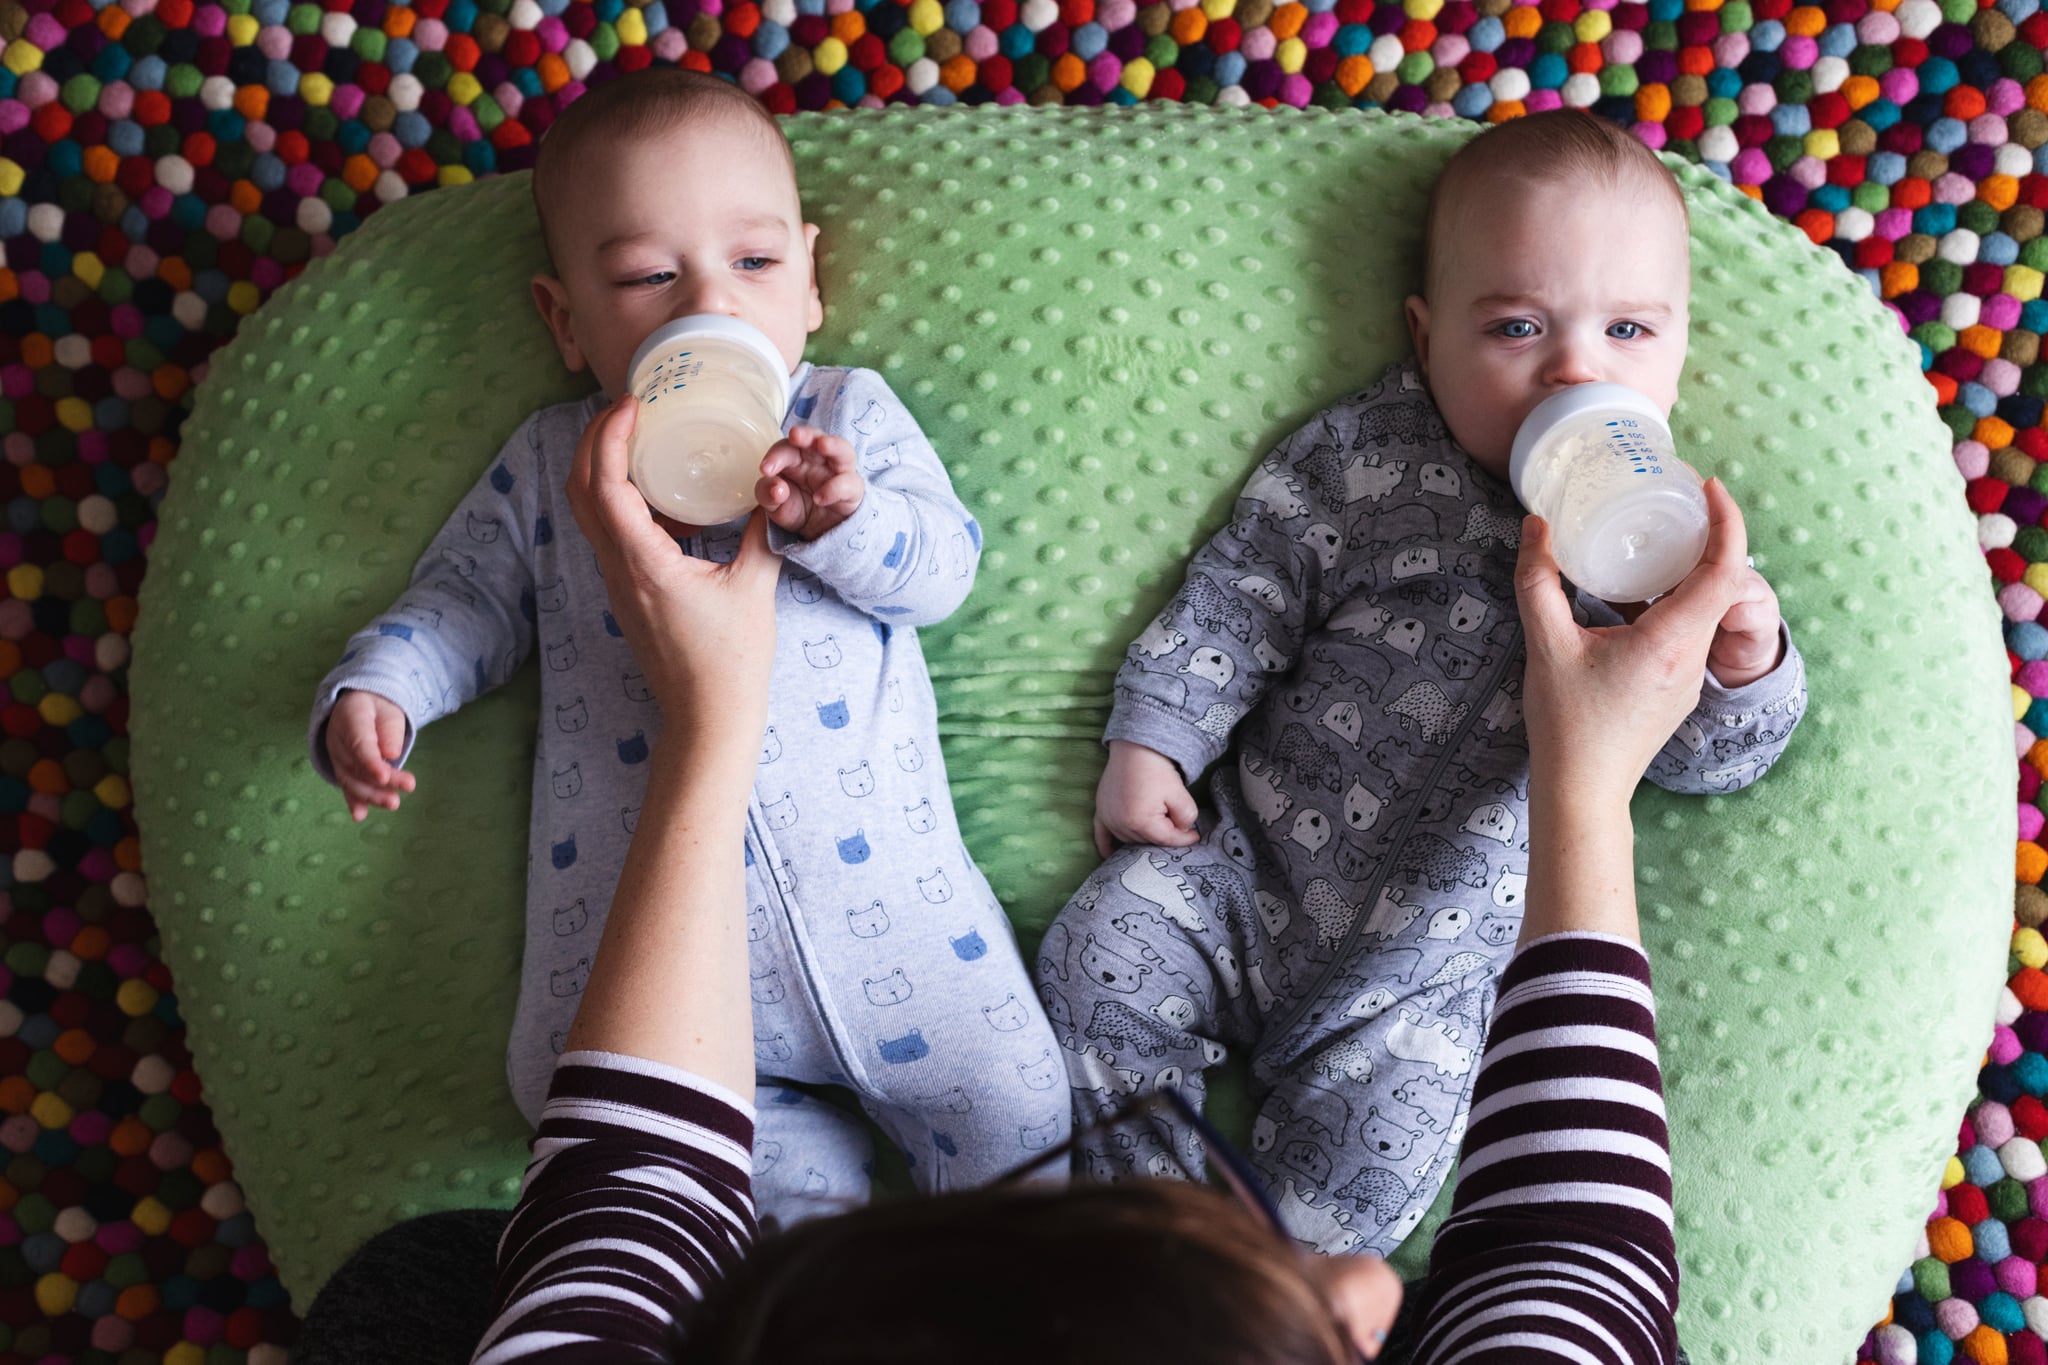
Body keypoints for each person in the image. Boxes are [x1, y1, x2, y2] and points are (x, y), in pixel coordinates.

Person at [466, 380, 1759, 1365]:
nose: (1382, 1294)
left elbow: (616, 1198)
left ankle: (1164, 1228)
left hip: (1386, 950)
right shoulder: (1389, 461)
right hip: (1284, 891)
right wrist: (1623, 756)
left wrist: (708, 723)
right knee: (1119, 955)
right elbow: (1574, 1266)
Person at [1032, 108, 1810, 1250]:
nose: (1573, 369)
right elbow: (1245, 589)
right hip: (1246, 873)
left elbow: (1693, 758)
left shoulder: (1671, 550)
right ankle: (1144, 1237)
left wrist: (1742, 665)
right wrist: (1154, 735)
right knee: (1102, 950)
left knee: (1378, 1151)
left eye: (1629, 330)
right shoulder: (1365, 457)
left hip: (1422, 974)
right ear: (1425, 334)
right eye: (1514, 326)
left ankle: (1275, 1287)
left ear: (1680, 347)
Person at [300, 67, 1064, 1216]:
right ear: (565, 320)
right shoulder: (555, 467)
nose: (706, 307)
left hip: (907, 949)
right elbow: (461, 602)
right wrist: (383, 687)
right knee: (759, 1242)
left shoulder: (841, 419)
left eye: (753, 265)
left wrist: (849, 523)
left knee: (1017, 1115)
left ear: (808, 281)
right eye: (647, 277)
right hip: (653, 977)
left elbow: (941, 570)